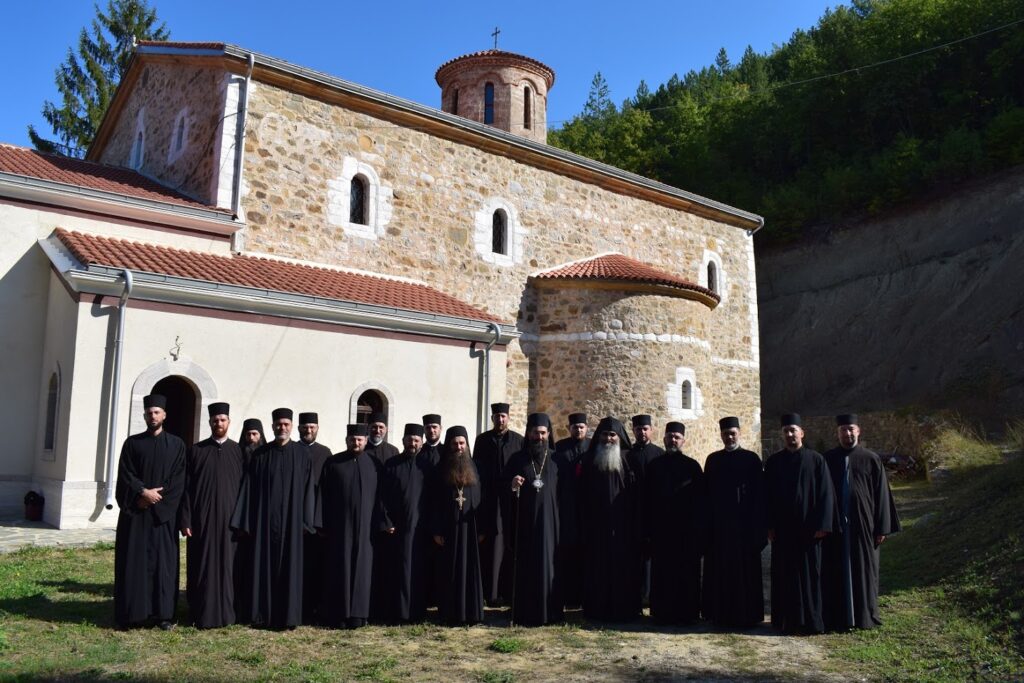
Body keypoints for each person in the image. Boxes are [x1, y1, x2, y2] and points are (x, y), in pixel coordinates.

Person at [230, 408, 314, 629]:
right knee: (262, 568)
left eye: (286, 424)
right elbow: (248, 489)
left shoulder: (302, 454)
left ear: (291, 425)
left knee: (290, 568)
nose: (282, 428)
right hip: (264, 524)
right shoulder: (261, 455)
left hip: (292, 524)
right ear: (273, 425)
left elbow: (308, 491)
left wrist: (307, 521)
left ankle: (289, 617)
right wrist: (246, 521)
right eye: (279, 424)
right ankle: (261, 614)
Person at [114, 394, 186, 630]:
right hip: (136, 516)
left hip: (162, 520)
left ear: (164, 415)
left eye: (156, 412)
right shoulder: (132, 444)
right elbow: (125, 475)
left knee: (163, 567)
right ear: (144, 415)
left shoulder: (176, 445)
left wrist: (157, 501)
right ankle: (133, 614)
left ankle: (163, 615)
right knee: (133, 564)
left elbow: (178, 481)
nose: (152, 416)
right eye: (149, 413)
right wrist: (141, 494)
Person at [822, 414, 901, 631]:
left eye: (850, 429)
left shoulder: (871, 458)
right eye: (842, 430)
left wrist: (882, 527)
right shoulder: (828, 459)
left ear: (858, 431)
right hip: (836, 527)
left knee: (864, 571)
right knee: (835, 570)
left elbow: (882, 494)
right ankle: (838, 617)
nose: (847, 434)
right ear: (837, 433)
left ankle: (865, 616)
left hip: (864, 526)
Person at [765, 414, 837, 634]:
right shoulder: (774, 462)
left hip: (809, 531)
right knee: (784, 574)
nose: (789, 435)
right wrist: (769, 525)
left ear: (802, 433)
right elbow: (766, 497)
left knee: (809, 575)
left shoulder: (816, 460)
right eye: (786, 431)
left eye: (793, 430)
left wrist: (823, 525)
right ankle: (784, 621)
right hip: (783, 532)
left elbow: (826, 494)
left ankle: (811, 621)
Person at [178, 402, 245, 629]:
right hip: (201, 520)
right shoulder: (196, 451)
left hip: (230, 522)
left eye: (223, 420)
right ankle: (200, 611)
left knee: (230, 566)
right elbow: (186, 488)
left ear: (229, 422)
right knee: (202, 565)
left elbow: (245, 490)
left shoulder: (238, 451)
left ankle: (229, 612)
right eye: (215, 420)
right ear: (209, 423)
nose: (219, 423)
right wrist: (185, 519)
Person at [702, 416, 767, 628]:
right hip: (720, 529)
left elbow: (759, 495)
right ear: (721, 435)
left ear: (739, 433)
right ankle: (719, 613)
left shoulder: (751, 459)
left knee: (745, 573)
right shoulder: (713, 460)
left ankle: (747, 615)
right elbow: (707, 495)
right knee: (720, 572)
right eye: (725, 434)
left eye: (732, 433)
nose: (729, 437)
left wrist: (758, 527)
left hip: (744, 529)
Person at [579, 416, 642, 622]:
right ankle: (597, 609)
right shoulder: (589, 459)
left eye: (613, 434)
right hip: (596, 525)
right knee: (597, 568)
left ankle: (624, 610)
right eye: (605, 434)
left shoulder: (629, 458)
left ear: (619, 437)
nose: (608, 438)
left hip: (623, 526)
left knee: (622, 568)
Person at [316, 424, 378, 629]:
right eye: (353, 439)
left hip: (366, 530)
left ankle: (360, 615)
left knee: (362, 571)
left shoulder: (374, 464)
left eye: (360, 439)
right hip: (339, 530)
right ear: (347, 440)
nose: (356, 442)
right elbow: (322, 496)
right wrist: (322, 524)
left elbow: (381, 499)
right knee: (338, 569)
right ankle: (337, 614)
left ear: (366, 440)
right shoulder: (333, 463)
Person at [644, 421, 706, 625]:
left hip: (686, 532)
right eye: (669, 436)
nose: (673, 440)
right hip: (661, 531)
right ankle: (661, 612)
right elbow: (648, 499)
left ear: (683, 441)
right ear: (663, 439)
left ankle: (687, 612)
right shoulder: (654, 466)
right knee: (663, 572)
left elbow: (700, 501)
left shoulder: (693, 466)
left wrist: (698, 530)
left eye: (677, 437)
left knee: (686, 573)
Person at [507, 413, 563, 625]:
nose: (538, 437)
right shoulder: (517, 460)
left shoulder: (558, 460)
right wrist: (513, 486)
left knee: (550, 567)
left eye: (542, 433)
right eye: (535, 433)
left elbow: (566, 495)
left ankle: (551, 613)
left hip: (551, 525)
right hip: (526, 525)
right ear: (528, 434)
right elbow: (504, 489)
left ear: (548, 434)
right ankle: (525, 613)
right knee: (526, 567)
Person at [374, 424, 433, 623]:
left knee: (418, 570)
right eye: (409, 440)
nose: (412, 443)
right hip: (396, 530)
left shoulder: (427, 466)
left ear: (422, 442)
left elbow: (435, 499)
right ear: (403, 441)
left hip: (420, 530)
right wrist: (386, 520)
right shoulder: (391, 464)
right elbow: (381, 496)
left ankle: (416, 612)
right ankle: (395, 611)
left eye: (416, 440)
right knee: (396, 570)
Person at [432, 426, 485, 625]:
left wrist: (482, 528)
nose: (459, 447)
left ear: (467, 445)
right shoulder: (440, 470)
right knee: (449, 569)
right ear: (449, 446)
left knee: (470, 568)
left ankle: (471, 613)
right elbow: (433, 502)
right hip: (449, 530)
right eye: (455, 443)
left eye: (462, 443)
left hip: (470, 529)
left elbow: (484, 500)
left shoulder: (477, 467)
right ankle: (450, 612)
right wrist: (436, 529)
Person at [473, 402, 524, 606]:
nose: (500, 420)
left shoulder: (519, 441)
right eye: (497, 416)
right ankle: (491, 593)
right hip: (489, 500)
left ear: (508, 417)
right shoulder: (482, 440)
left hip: (512, 500)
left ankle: (510, 592)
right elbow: (477, 470)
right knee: (491, 545)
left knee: (511, 543)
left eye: (503, 416)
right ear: (492, 418)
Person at [297, 411, 332, 625]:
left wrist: (320, 521)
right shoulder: (292, 450)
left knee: (316, 567)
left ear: (317, 428)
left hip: (317, 523)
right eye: (305, 427)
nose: (308, 430)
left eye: (312, 427)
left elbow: (327, 489)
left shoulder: (325, 453)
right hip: (294, 520)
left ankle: (316, 606)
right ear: (299, 428)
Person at [552, 412, 589, 608]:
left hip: (587, 509)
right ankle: (567, 595)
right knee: (567, 553)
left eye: (582, 427)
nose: (578, 430)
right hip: (565, 508)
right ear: (569, 428)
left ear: (587, 428)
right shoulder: (559, 448)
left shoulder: (593, 447)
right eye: (575, 427)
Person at [234, 417, 266, 623]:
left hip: (260, 518)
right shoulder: (237, 456)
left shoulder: (265, 456)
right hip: (238, 521)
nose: (251, 439)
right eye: (248, 435)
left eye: (255, 435)